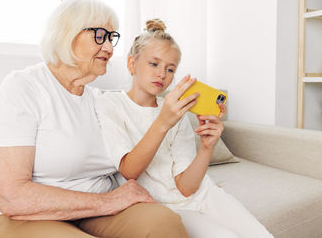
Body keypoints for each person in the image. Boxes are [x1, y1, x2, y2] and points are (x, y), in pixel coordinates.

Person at [0, 0, 189, 238]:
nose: (109, 48)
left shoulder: (100, 101)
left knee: (164, 224)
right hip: (22, 216)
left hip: (91, 211)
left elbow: (137, 157)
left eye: (112, 38)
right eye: (100, 36)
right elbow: (11, 196)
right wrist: (107, 202)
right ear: (66, 34)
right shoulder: (23, 88)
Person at [96, 19, 274, 238]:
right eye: (154, 64)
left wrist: (207, 147)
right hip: (165, 207)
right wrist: (164, 121)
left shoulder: (175, 111)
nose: (162, 73)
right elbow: (129, 171)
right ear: (132, 63)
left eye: (170, 69)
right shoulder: (110, 104)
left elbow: (186, 188)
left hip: (202, 195)